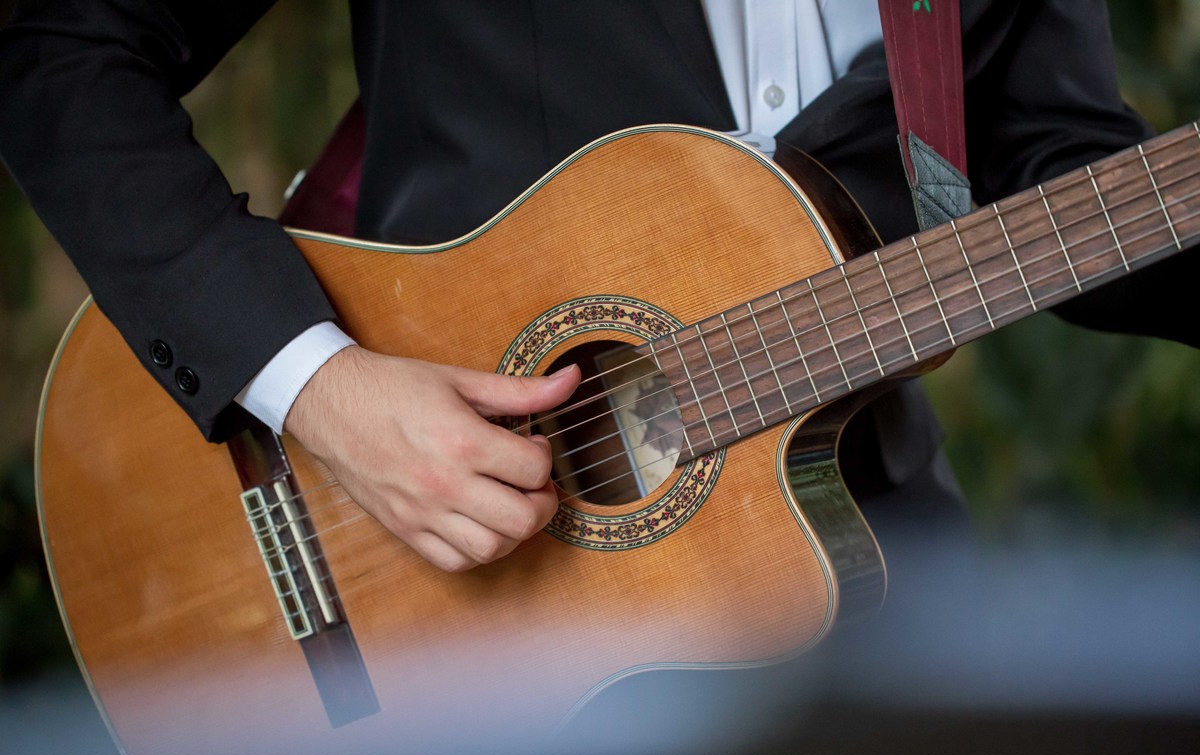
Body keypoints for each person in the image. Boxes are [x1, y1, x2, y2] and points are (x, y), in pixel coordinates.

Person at [0, 0, 1193, 577]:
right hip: (467, 602)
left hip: (861, 556)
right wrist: (320, 389)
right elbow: (63, 58)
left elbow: (1054, 163)